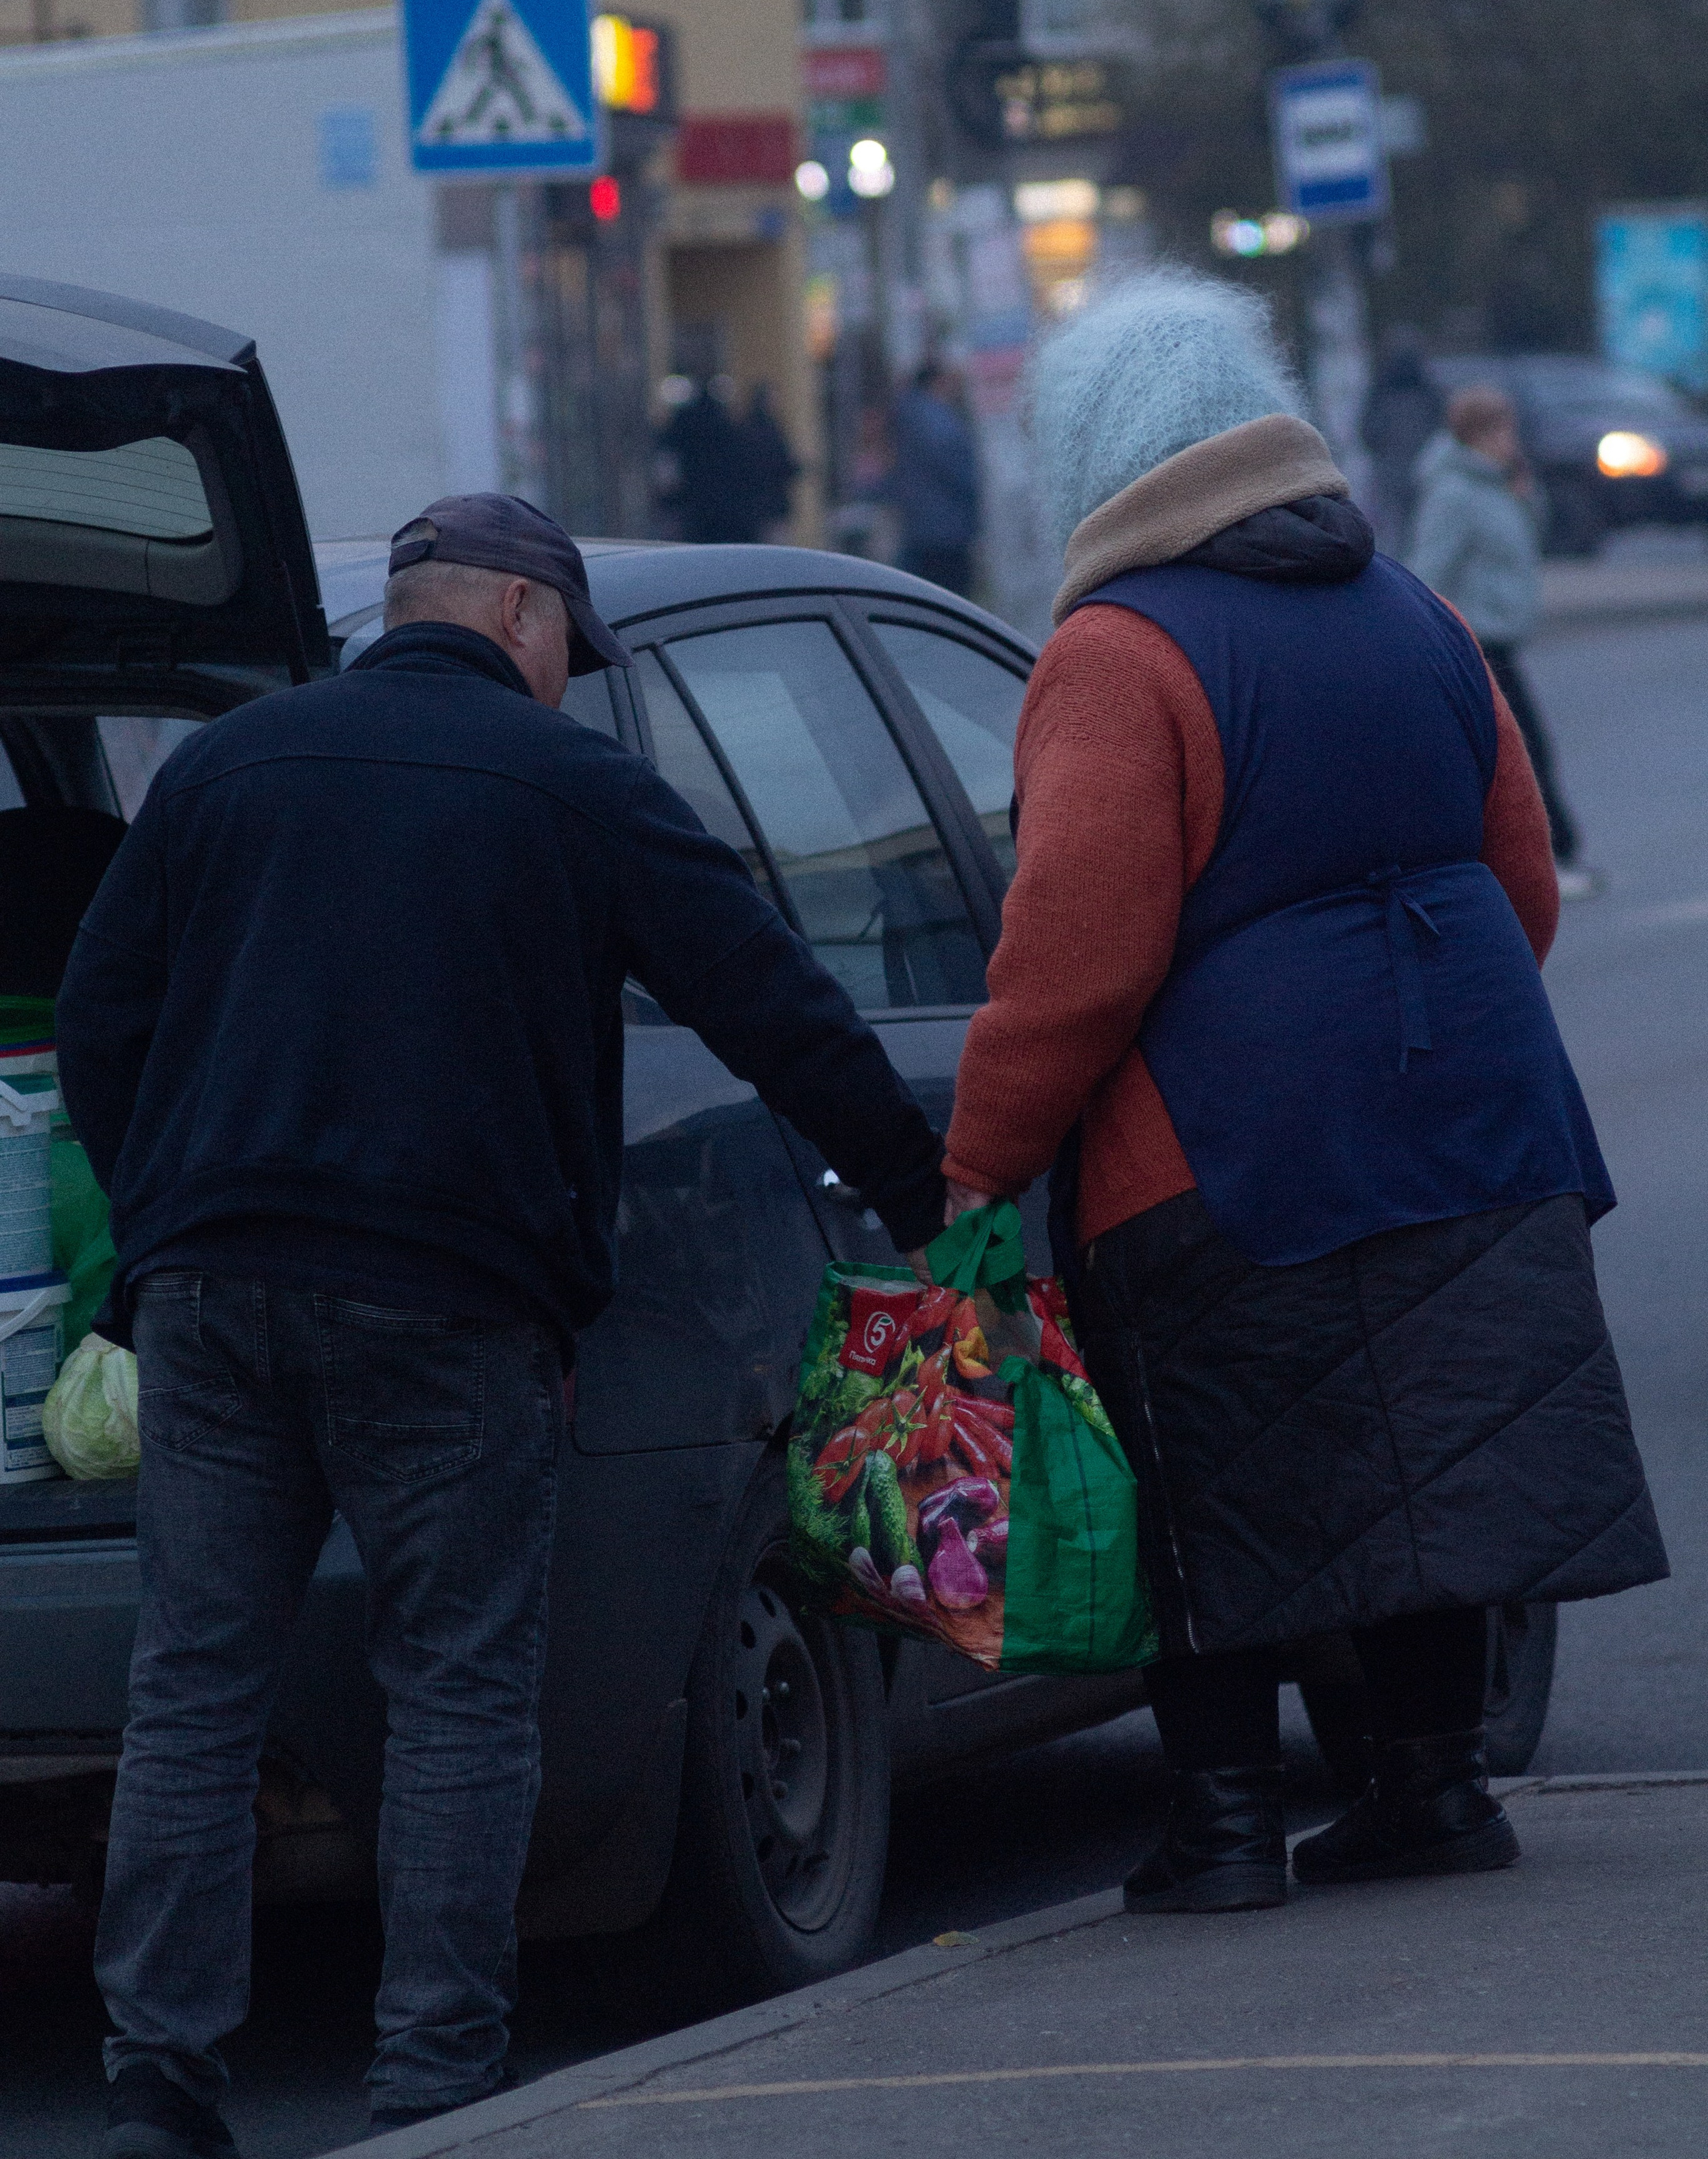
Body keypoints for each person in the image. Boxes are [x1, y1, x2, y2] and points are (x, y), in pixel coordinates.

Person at [57, 494, 946, 2159]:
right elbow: (774, 1004)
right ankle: (432, 2085)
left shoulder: (223, 774)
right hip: (444, 1301)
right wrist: (921, 1195)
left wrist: (160, 1223)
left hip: (211, 1293)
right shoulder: (583, 790)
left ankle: (155, 2089)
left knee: (191, 1688)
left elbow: (105, 1018)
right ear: (525, 621)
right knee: (459, 1687)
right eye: (568, 655)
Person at [939, 271, 1665, 1917]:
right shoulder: (1413, 610)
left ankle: (1216, 1829)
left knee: (1201, 1469)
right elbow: (1518, 884)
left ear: (1090, 454)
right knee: (1410, 1461)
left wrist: (982, 1153)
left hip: (1221, 1149)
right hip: (1471, 1117)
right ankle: (1429, 1782)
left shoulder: (1116, 655)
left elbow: (1074, 959)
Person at [1408, 384, 1595, 896]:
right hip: (1477, 642)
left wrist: (1525, 491)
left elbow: (1533, 541)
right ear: (1475, 434)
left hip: (1504, 638)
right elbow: (1428, 571)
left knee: (1509, 754)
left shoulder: (1499, 484)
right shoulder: (1453, 493)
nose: (1509, 440)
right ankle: (1554, 859)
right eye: (1499, 430)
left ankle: (1540, 860)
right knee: (1528, 750)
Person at [890, 360, 980, 594]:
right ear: (938, 382)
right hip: (945, 524)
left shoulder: (910, 414)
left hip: (923, 523)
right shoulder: (936, 418)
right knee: (954, 597)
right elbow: (954, 466)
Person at [1359, 325, 1442, 553]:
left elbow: (1367, 433)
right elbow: (1442, 433)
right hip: (1426, 472)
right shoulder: (1430, 394)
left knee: (1393, 535)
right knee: (1426, 533)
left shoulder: (1380, 392)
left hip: (1390, 472)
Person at [657, 377, 770, 542]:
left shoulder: (681, 428)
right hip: (730, 512)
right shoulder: (733, 429)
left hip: (694, 510)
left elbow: (668, 472)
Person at [741, 379, 803, 540]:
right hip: (770, 505)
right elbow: (778, 464)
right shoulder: (769, 431)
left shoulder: (747, 427)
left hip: (754, 506)